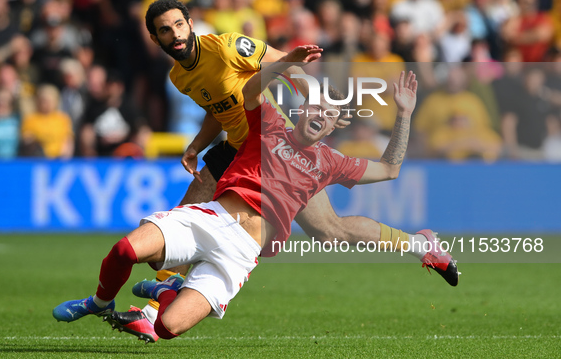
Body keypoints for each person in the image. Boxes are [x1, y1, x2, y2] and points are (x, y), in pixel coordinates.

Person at [52, 46, 458, 342]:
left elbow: (390, 169)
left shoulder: (330, 161)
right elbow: (246, 95)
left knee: (330, 231)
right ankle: (142, 295)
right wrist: (283, 64)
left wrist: (403, 114)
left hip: (242, 252)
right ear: (301, 110)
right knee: (148, 239)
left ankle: (162, 298)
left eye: (331, 115)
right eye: (318, 108)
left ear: (335, 127)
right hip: (216, 215)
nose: (322, 115)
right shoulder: (269, 125)